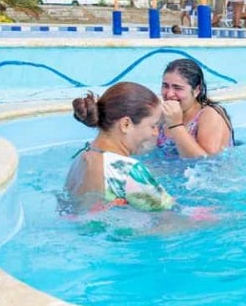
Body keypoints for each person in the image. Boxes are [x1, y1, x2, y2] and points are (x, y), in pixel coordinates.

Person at [65, 82, 175, 212]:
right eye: (153, 126)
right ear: (126, 124)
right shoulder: (127, 170)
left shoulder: (82, 156)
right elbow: (168, 218)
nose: (156, 133)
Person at [157, 58, 235, 158]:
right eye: (165, 86)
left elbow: (207, 161)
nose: (169, 94)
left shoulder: (210, 115)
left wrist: (176, 126)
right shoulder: (162, 116)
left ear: (197, 90)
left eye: (178, 88)